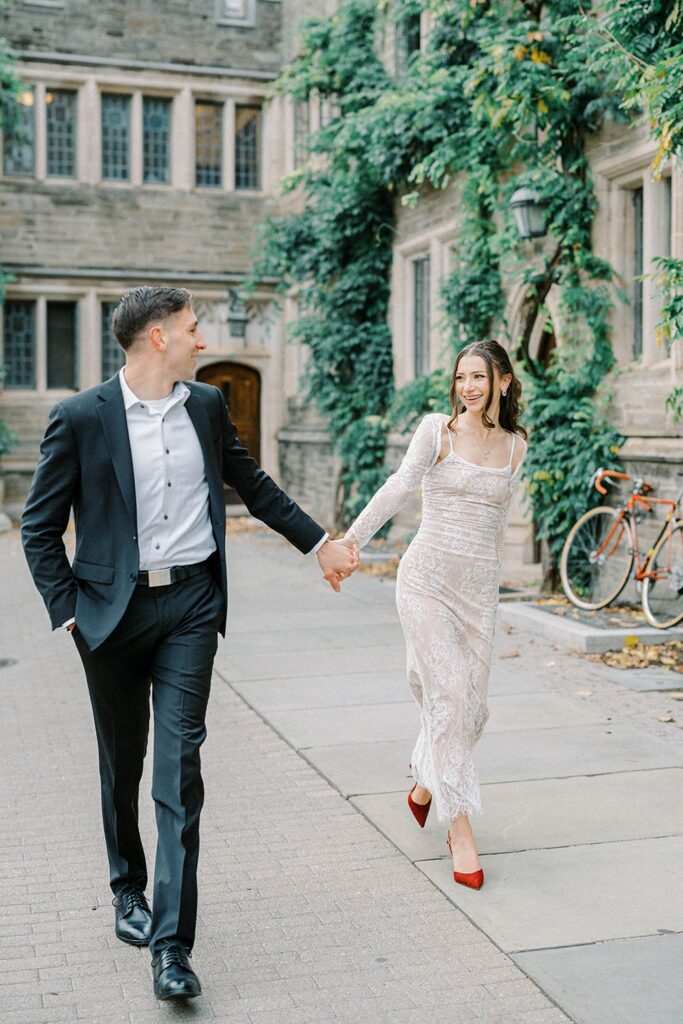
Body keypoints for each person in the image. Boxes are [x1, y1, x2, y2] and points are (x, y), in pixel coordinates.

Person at [21, 287, 358, 1001]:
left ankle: (171, 949)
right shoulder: (82, 418)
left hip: (191, 609)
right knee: (122, 762)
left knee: (178, 774)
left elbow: (252, 484)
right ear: (155, 338)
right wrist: (70, 615)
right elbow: (39, 528)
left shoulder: (203, 407)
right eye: (192, 329)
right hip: (110, 615)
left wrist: (318, 544)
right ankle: (126, 890)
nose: (202, 341)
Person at [343, 339, 527, 890]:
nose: (468, 387)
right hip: (424, 582)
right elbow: (400, 486)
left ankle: (426, 779)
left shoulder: (517, 446)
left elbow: (499, 526)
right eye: (461, 377)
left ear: (504, 382)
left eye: (479, 377)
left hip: (477, 593)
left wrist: (493, 596)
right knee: (447, 697)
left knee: (473, 711)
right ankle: (461, 830)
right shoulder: (436, 432)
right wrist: (350, 544)